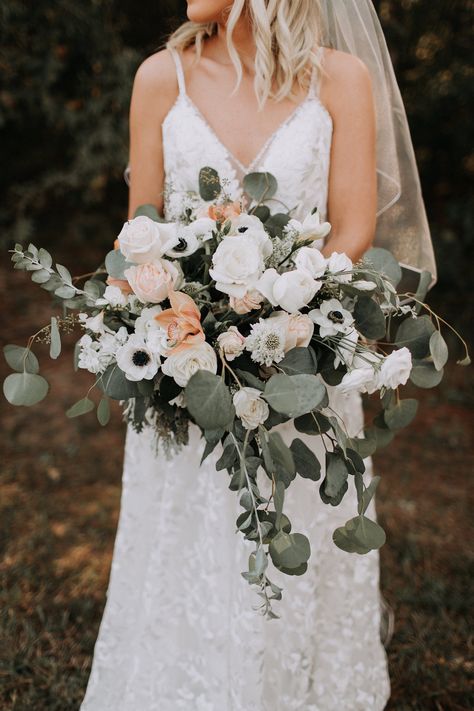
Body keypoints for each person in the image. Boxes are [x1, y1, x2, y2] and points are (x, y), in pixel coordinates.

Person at [79, 1, 432, 708]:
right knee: (186, 540)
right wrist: (156, 313)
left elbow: (355, 225)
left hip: (298, 360)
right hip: (184, 364)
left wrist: (274, 305)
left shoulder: (341, 79)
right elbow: (139, 229)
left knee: (293, 528)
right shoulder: (160, 78)